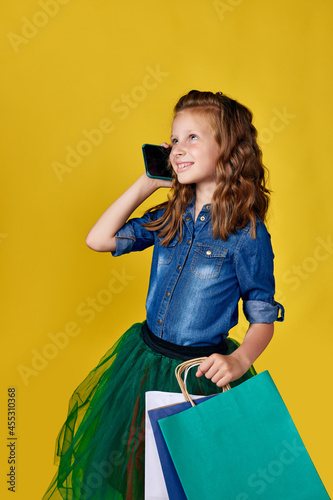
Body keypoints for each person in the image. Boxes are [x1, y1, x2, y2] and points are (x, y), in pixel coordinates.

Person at [43, 90, 284, 499]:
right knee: (137, 476)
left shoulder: (247, 234)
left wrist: (241, 358)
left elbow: (262, 317)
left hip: (196, 375)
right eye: (173, 140)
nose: (177, 149)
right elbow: (99, 239)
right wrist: (148, 182)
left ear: (228, 149)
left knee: (190, 481)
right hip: (141, 365)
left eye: (192, 138)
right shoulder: (168, 215)